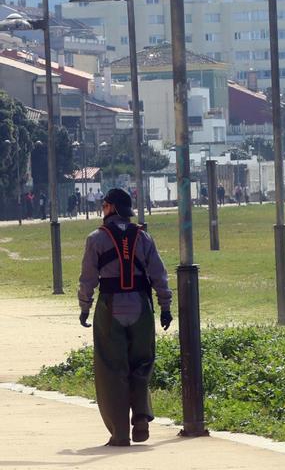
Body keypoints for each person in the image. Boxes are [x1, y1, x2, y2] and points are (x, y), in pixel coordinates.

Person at [77, 188, 173, 447]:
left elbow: (88, 279)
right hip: (141, 306)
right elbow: (159, 275)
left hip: (110, 307)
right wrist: (165, 307)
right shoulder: (144, 237)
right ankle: (140, 415)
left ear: (111, 208)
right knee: (141, 363)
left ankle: (120, 434)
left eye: (104, 204)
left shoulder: (96, 238)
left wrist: (85, 307)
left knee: (112, 369)